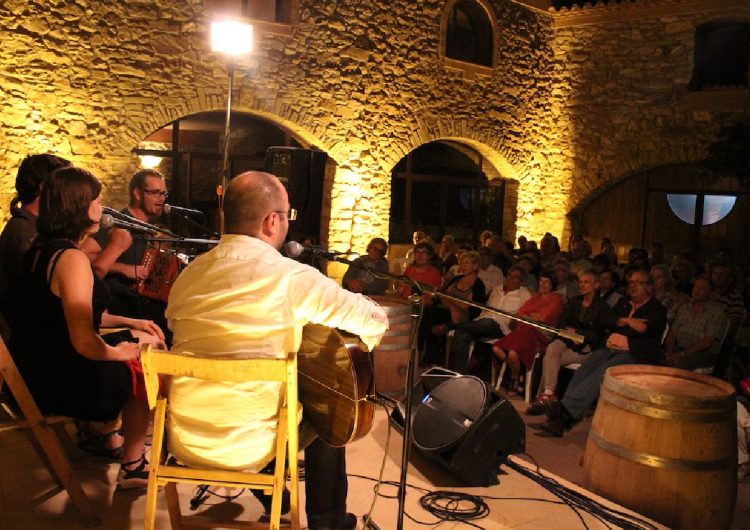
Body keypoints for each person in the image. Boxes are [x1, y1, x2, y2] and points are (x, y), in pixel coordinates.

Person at [165, 171, 388, 530]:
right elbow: (374, 321)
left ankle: (273, 495)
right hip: (254, 444)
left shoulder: (188, 277)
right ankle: (327, 522)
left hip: (184, 438)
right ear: (272, 221)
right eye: (288, 216)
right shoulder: (291, 277)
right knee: (329, 406)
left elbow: (178, 331)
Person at [9, 167, 166, 489]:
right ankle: (132, 463)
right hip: (57, 380)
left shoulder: (44, 248)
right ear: (78, 207)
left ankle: (120, 447)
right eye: (96, 201)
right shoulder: (71, 258)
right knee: (146, 357)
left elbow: (74, 313)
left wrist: (130, 322)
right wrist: (122, 351)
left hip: (40, 366)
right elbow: (83, 340)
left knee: (144, 336)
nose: (102, 208)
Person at [539, 268, 666, 437]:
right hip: (610, 348)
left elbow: (644, 332)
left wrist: (622, 333)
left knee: (602, 372)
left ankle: (565, 413)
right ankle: (564, 415)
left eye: (639, 283)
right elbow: (608, 321)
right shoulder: (623, 303)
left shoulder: (656, 310)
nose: (633, 286)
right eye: (631, 283)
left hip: (634, 355)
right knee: (586, 368)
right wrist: (627, 320)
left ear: (649, 287)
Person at [0, 154, 71, 333]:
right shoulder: (26, 234)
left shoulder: (29, 228)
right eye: (63, 185)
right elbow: (33, 300)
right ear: (43, 187)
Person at [527, 270, 612, 415]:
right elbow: (563, 323)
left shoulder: (602, 306)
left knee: (549, 359)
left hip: (587, 346)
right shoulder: (574, 302)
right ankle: (548, 395)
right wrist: (570, 334)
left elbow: (599, 334)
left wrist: (579, 334)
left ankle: (544, 398)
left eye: (587, 282)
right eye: (581, 282)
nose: (583, 285)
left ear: (596, 285)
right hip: (567, 339)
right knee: (553, 347)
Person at [445, 265, 531, 373]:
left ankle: (450, 326)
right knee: (462, 334)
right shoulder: (497, 289)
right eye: (509, 275)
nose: (510, 278)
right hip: (482, 322)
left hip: (501, 327)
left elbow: (525, 313)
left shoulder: (524, 294)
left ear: (521, 281)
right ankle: (458, 374)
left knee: (488, 323)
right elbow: (486, 310)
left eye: (515, 277)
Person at [492, 269, 563, 395]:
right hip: (524, 330)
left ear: (553, 284)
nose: (543, 284)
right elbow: (521, 314)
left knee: (513, 354)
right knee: (496, 348)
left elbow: (543, 318)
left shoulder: (556, 299)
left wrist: (529, 316)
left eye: (547, 282)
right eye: (541, 281)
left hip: (540, 334)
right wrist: (531, 316)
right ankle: (518, 373)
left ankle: (514, 378)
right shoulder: (534, 298)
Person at [424, 251, 487, 365]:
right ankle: (430, 359)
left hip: (465, 317)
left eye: (467, 263)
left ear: (475, 265)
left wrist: (451, 300)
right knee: (429, 313)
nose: (463, 266)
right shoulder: (455, 279)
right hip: (448, 311)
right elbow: (442, 297)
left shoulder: (478, 284)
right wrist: (453, 306)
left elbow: (468, 306)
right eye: (461, 263)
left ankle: (433, 359)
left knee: (433, 315)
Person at [665, 275, 727, 371]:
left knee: (682, 362)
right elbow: (673, 332)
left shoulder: (716, 311)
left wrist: (682, 354)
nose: (697, 291)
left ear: (711, 292)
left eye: (702, 288)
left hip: (703, 353)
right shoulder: (684, 307)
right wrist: (669, 351)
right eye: (696, 287)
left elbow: (707, 342)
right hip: (679, 348)